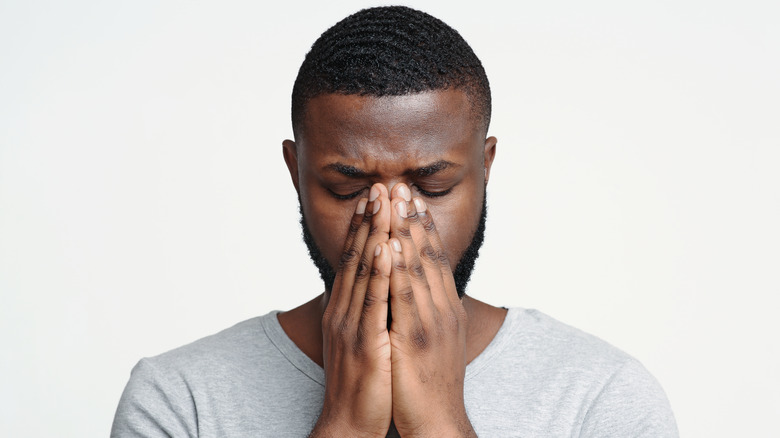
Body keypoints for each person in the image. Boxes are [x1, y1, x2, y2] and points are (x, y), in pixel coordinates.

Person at [111, 6, 678, 437]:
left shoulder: (600, 397)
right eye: (346, 186)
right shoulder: (178, 400)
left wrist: (440, 421)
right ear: (296, 172)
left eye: (432, 185)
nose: (389, 227)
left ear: (485, 167)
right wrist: (345, 423)